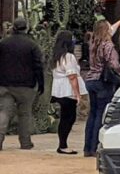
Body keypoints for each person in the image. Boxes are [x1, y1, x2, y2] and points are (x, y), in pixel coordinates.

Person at [82, 20, 120, 157]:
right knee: (101, 113)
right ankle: (96, 146)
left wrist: (119, 22)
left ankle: (88, 147)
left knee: (92, 114)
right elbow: (114, 65)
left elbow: (111, 29)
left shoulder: (92, 43)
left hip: (91, 79)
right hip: (103, 81)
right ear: (106, 31)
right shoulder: (108, 45)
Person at [0, 17, 44, 151]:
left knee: (4, 112)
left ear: (13, 27)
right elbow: (38, 66)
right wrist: (41, 84)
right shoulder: (32, 45)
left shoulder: (3, 43)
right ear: (26, 28)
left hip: (5, 84)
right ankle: (25, 142)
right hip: (26, 85)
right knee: (24, 114)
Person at [50, 30, 83, 155]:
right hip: (67, 89)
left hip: (58, 89)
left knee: (65, 116)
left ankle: (62, 143)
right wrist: (77, 94)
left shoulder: (57, 56)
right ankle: (63, 145)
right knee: (69, 117)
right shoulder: (68, 57)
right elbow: (72, 76)